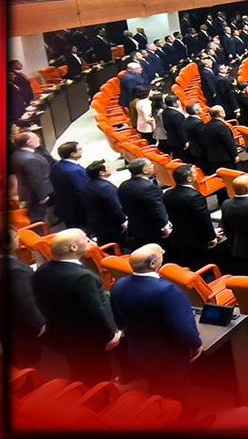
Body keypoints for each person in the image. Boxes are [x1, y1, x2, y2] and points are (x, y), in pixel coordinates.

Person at [109, 243, 203, 413]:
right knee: (176, 391)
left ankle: (158, 413)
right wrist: (196, 344)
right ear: (153, 263)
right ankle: (180, 418)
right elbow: (180, 326)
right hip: (168, 355)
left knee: (154, 384)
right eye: (160, 255)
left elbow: (118, 319)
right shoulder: (167, 290)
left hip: (138, 350)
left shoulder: (119, 285)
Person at [31, 229, 121, 384]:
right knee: (99, 375)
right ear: (73, 247)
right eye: (85, 239)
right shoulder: (83, 277)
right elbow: (95, 311)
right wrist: (111, 334)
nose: (89, 241)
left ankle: (80, 390)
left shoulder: (42, 271)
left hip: (62, 335)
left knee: (77, 369)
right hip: (89, 340)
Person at [163, 164, 217, 270]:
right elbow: (203, 220)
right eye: (194, 173)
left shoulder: (168, 193)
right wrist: (211, 237)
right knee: (199, 264)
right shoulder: (195, 197)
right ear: (189, 179)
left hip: (177, 235)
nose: (196, 174)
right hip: (196, 239)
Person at [6, 226, 46, 369]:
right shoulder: (15, 270)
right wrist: (40, 324)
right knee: (28, 361)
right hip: (20, 329)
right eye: (16, 237)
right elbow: (25, 301)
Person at [118, 158, 171, 251]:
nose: (153, 166)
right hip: (153, 229)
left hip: (135, 226)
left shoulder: (123, 185)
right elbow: (157, 209)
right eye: (150, 165)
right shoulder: (149, 188)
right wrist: (165, 226)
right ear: (145, 170)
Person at [10, 132, 53, 224]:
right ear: (29, 142)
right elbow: (36, 180)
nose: (38, 138)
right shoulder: (30, 160)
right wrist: (42, 197)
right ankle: (40, 231)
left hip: (27, 191)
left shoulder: (17, 153)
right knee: (39, 217)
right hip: (36, 195)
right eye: (35, 137)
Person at [48, 141, 88, 229]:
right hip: (77, 209)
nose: (82, 151)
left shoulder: (56, 166)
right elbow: (83, 190)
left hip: (64, 205)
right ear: (73, 154)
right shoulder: (74, 170)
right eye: (79, 149)